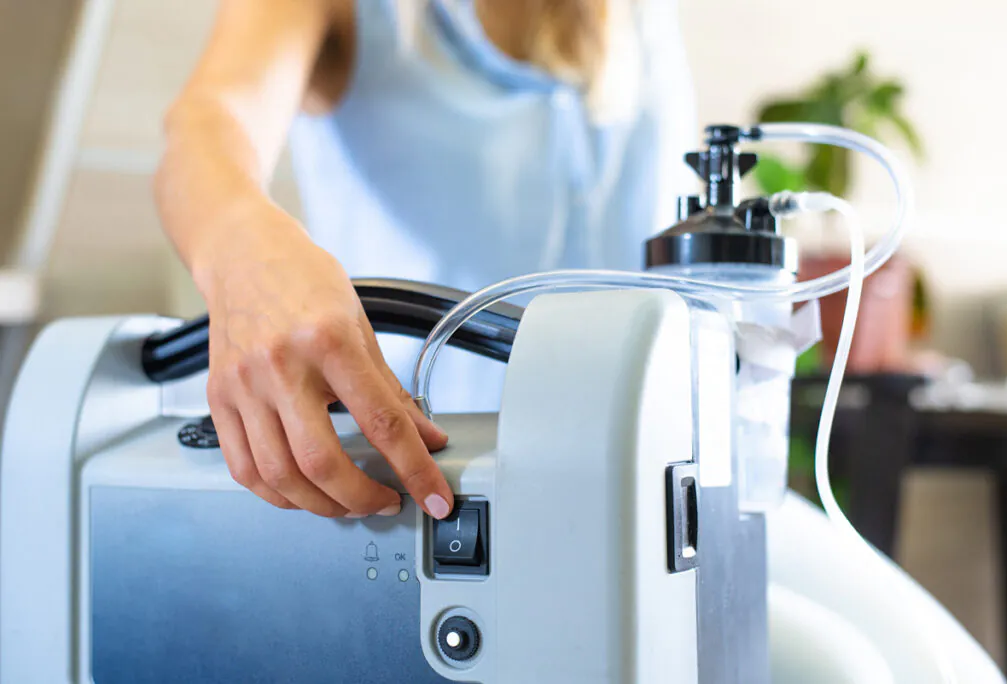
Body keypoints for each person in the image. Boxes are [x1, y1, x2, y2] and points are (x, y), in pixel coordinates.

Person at [154, 0, 697, 523]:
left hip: (668, 483)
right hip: (453, 498)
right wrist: (245, 253)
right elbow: (209, 122)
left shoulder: (645, 17)